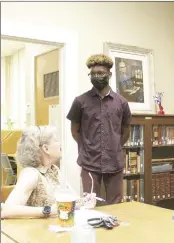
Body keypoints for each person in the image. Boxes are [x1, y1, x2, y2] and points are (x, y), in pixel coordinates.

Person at [67, 54, 132, 205]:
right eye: (93, 73)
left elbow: (125, 131)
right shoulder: (80, 101)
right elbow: (74, 131)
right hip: (89, 162)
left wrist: (114, 146)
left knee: (115, 205)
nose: (97, 76)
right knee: (90, 204)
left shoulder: (122, 103)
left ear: (109, 74)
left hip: (114, 161)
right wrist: (88, 147)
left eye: (101, 73)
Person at [2, 126, 63, 218]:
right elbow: (7, 210)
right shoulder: (30, 174)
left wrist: (84, 201)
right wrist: (49, 210)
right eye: (56, 140)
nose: (60, 144)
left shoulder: (53, 170)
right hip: (36, 231)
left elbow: (66, 201)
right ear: (46, 148)